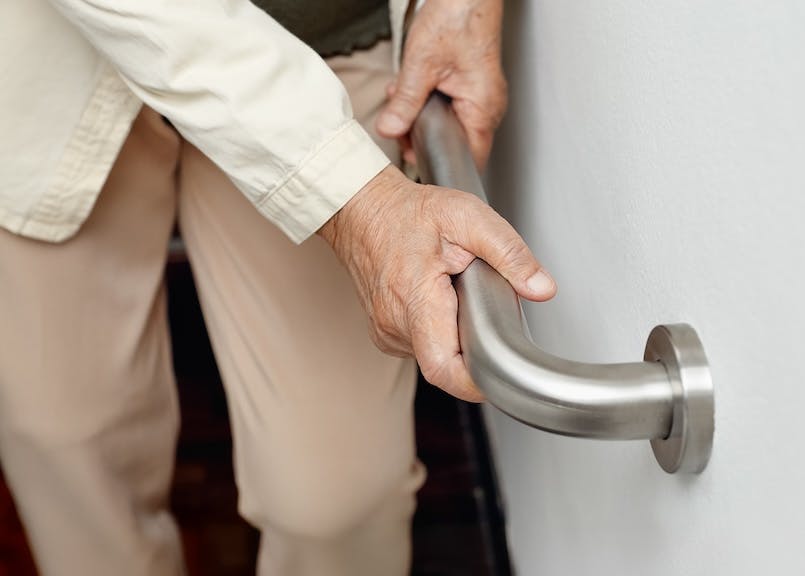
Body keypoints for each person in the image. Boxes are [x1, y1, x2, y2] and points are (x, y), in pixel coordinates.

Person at [0, 0, 556, 574]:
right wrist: (359, 202)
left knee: (336, 499)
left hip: (329, 42)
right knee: (69, 452)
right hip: (58, 50)